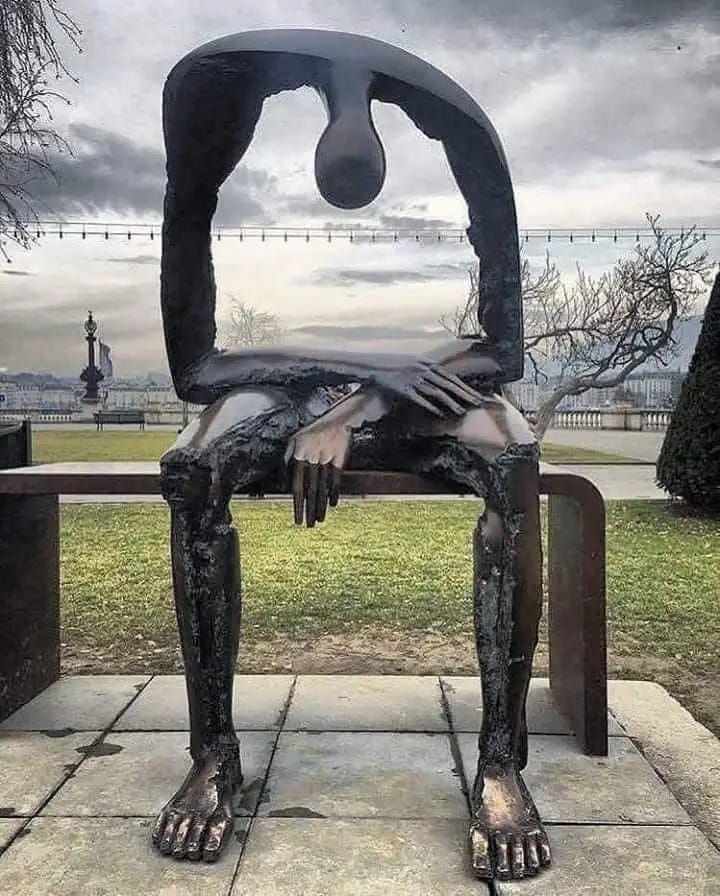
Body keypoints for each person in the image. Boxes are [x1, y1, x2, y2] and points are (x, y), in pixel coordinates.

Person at [154, 30, 549, 881]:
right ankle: (212, 754)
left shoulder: (464, 130)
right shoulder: (206, 94)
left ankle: (503, 763)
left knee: (515, 465)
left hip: (429, 381)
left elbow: (502, 352)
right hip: (295, 380)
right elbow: (197, 369)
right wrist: (360, 372)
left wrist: (371, 400)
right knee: (191, 472)